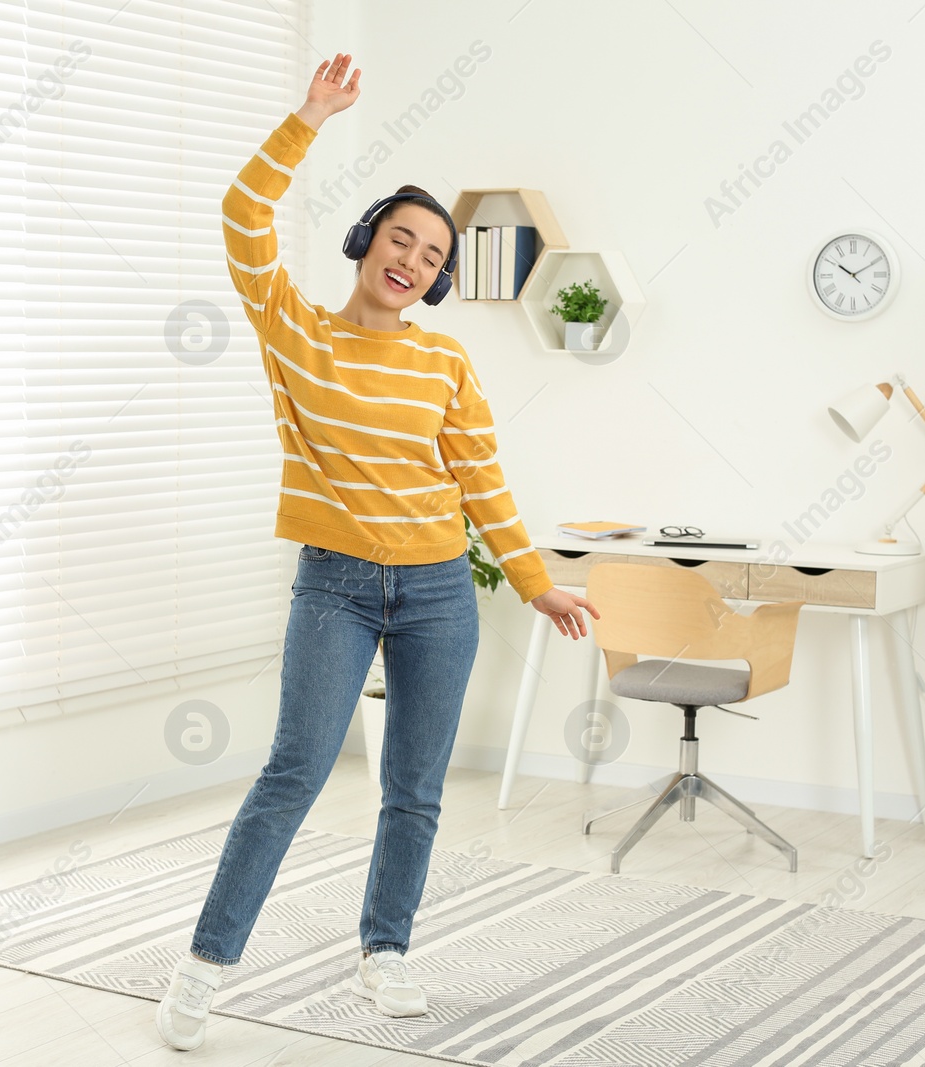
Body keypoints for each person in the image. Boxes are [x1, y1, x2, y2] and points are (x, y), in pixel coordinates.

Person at [156, 53, 599, 1052]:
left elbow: (481, 478)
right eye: (400, 238)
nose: (412, 259)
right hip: (337, 587)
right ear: (367, 243)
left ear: (439, 278)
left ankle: (385, 948)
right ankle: (203, 965)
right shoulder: (295, 331)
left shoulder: (444, 359)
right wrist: (307, 118)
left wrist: (531, 581)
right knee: (292, 771)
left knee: (415, 787)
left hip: (442, 590)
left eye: (432, 255)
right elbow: (239, 215)